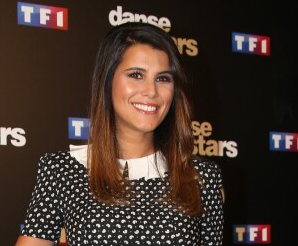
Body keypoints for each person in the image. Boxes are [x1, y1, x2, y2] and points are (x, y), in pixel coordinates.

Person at [16, 22, 224, 246]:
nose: (151, 91)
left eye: (163, 78)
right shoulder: (62, 171)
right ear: (108, 80)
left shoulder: (201, 177)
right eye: (136, 75)